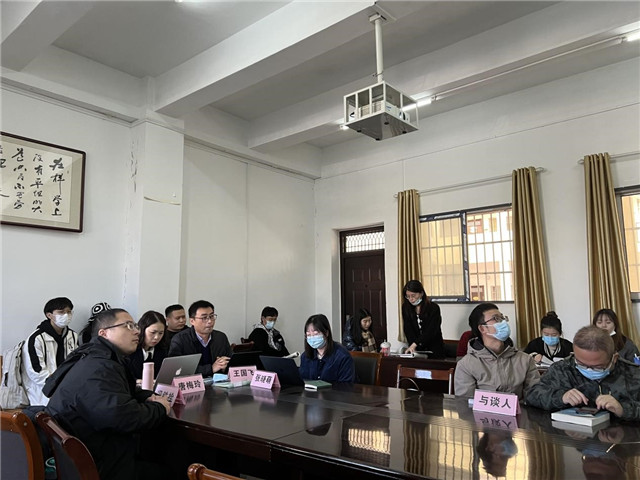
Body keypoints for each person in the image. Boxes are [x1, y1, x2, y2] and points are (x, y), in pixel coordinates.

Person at [43, 308, 171, 480]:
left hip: (85, 453)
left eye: (135, 326)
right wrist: (160, 408)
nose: (137, 331)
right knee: (171, 468)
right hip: (96, 464)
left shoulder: (96, 357)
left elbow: (119, 390)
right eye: (128, 325)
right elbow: (123, 417)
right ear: (104, 333)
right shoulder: (100, 367)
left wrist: (145, 396)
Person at [526, 326, 640, 421]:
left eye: (597, 367)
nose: (588, 370)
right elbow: (532, 395)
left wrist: (623, 409)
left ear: (614, 358)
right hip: (572, 436)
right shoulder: (563, 369)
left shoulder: (634, 374)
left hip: (620, 438)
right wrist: (561, 397)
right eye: (581, 364)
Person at [454, 303, 540, 398]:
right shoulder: (466, 365)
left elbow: (535, 396)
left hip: (519, 408)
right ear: (482, 328)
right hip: (483, 408)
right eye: (496, 318)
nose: (503, 322)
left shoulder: (524, 360)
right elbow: (465, 402)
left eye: (502, 318)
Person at [22, 297, 79, 406]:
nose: (66, 315)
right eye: (61, 312)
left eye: (69, 312)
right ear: (49, 315)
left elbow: (76, 362)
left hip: (68, 387)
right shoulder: (37, 338)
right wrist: (56, 384)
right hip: (42, 389)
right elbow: (36, 372)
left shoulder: (72, 336)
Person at [168, 300, 232, 377]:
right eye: (204, 318)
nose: (209, 321)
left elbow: (231, 362)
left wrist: (224, 365)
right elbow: (176, 370)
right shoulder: (180, 339)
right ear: (192, 321)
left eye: (211, 316)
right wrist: (211, 368)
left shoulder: (221, 337)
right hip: (193, 382)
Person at [300, 314, 355, 383]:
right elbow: (302, 381)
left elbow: (346, 385)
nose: (312, 338)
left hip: (336, 390)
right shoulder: (305, 356)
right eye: (308, 335)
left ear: (326, 333)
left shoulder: (342, 356)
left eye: (316, 334)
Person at [401, 280, 445, 357]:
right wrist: (413, 345)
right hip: (416, 349)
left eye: (413, 296)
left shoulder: (433, 308)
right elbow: (408, 329)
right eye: (408, 296)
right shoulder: (406, 307)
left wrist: (415, 343)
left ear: (421, 293)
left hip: (434, 348)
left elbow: (431, 330)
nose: (411, 299)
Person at [128, 311, 168, 380]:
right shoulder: (130, 350)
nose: (156, 337)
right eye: (153, 332)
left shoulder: (162, 350)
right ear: (142, 330)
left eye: (161, 333)